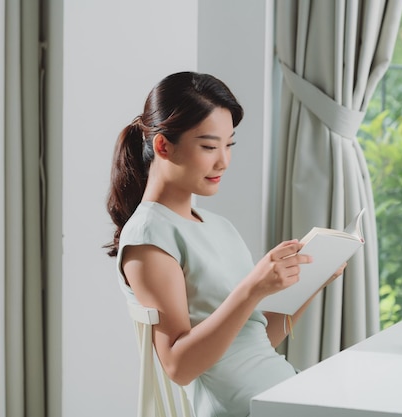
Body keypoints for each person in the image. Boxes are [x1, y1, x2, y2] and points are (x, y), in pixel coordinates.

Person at [105, 71, 344, 417]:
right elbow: (179, 366)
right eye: (209, 146)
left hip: (281, 391)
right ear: (163, 146)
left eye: (228, 145)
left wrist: (309, 282)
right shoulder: (149, 236)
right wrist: (252, 288)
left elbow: (250, 341)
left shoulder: (218, 226)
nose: (223, 161)